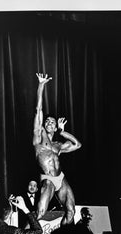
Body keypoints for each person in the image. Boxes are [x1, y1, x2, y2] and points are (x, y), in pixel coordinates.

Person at [33, 73, 82, 225]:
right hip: (47, 179)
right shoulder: (39, 136)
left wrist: (63, 132)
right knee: (40, 213)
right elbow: (38, 109)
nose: (48, 123)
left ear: (55, 126)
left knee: (71, 211)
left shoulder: (58, 146)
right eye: (47, 121)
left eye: (52, 122)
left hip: (60, 178)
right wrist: (41, 85)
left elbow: (77, 145)